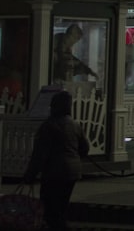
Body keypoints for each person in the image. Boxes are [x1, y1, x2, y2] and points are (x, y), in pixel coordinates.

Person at [22, 90, 90, 231]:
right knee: (61, 205)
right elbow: (84, 148)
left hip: (54, 172)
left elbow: (40, 154)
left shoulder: (49, 126)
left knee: (50, 208)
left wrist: (30, 174)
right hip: (72, 171)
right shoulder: (75, 125)